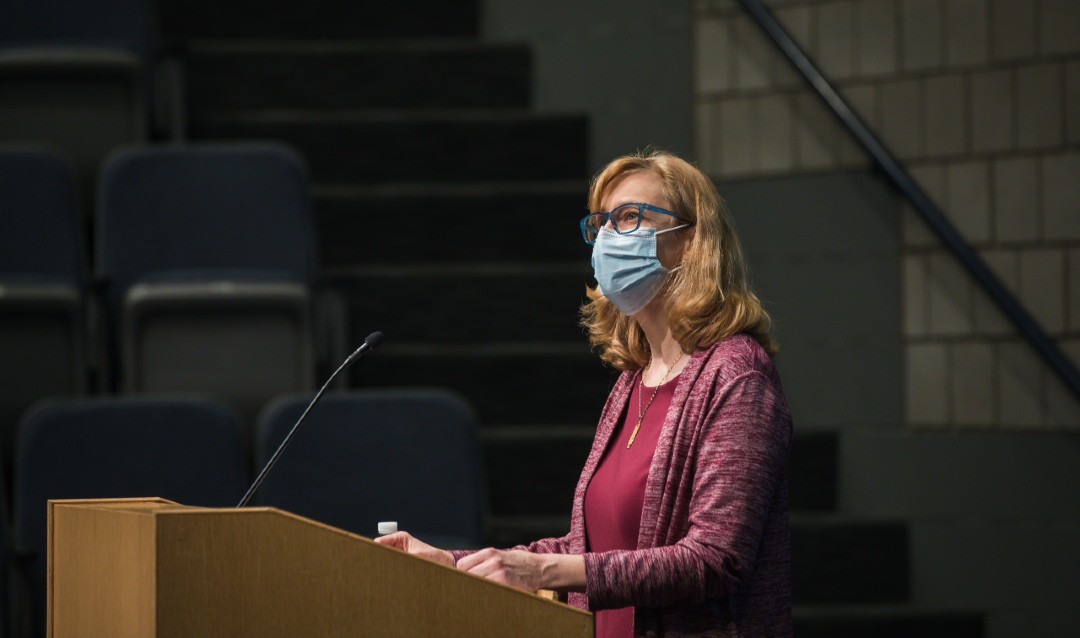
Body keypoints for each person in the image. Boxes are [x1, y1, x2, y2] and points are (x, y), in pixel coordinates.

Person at [376, 150, 793, 637]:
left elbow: (715, 559)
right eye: (602, 224)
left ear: (691, 240)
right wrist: (450, 561)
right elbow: (589, 548)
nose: (611, 237)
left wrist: (542, 572)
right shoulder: (631, 382)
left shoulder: (737, 374)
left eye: (631, 217)